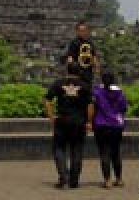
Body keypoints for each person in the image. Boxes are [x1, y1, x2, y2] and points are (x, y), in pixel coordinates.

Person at [45, 61, 94, 189]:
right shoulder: (85, 85)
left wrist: (51, 116)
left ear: (67, 70)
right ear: (79, 72)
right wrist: (89, 122)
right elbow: (90, 105)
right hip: (79, 121)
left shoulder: (59, 83)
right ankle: (74, 180)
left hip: (62, 120)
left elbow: (47, 99)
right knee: (77, 150)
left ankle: (64, 177)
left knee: (59, 149)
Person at [93, 71, 129, 189]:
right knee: (116, 152)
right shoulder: (120, 93)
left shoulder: (98, 92)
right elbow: (124, 108)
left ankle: (107, 180)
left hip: (101, 124)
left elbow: (93, 103)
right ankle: (119, 179)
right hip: (116, 125)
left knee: (104, 152)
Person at [65, 20, 100, 85]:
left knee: (87, 87)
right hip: (77, 70)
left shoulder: (90, 43)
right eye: (80, 31)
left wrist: (97, 67)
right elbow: (70, 56)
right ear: (77, 31)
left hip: (88, 70)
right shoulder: (74, 43)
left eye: (84, 30)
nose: (82, 32)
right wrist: (70, 67)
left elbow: (94, 56)